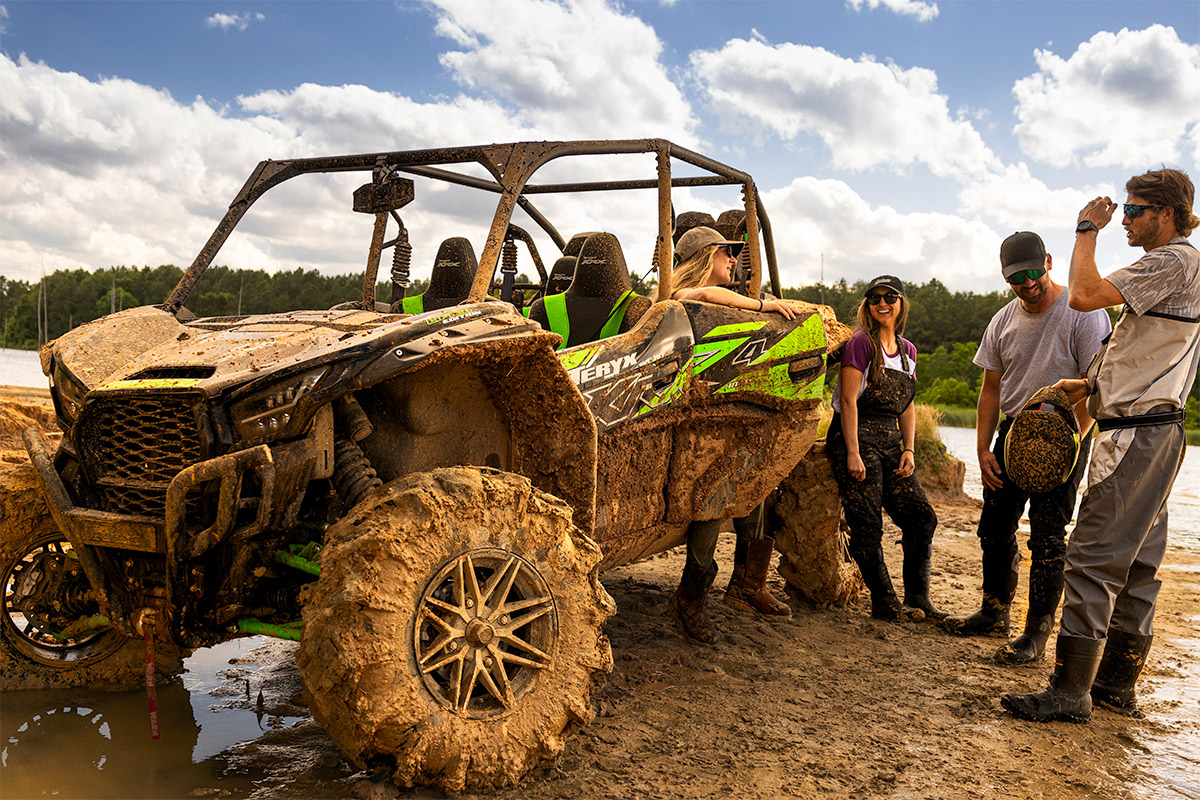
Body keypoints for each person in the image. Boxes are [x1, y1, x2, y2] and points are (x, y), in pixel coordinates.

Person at [1002, 168, 1200, 723]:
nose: (1126, 221)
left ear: (1166, 214)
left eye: (1135, 211)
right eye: (1124, 212)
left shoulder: (1174, 259)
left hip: (1136, 433)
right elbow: (1147, 348)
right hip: (1157, 430)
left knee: (1090, 559)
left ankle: (1069, 693)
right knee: (1136, 564)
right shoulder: (1178, 267)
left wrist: (1086, 228)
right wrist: (1088, 385)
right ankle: (1115, 685)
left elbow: (1084, 295)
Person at [943, 232, 1110, 667]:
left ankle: (1036, 633)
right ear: (1006, 278)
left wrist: (1072, 442)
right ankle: (994, 613)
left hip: (1067, 429)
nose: (1028, 283)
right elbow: (990, 390)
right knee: (995, 527)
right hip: (1014, 430)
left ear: (1050, 262)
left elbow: (1097, 387)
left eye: (1035, 272)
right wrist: (984, 450)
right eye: (1017, 278)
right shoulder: (1001, 321)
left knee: (1049, 536)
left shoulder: (1082, 313)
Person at [668, 226, 795, 644]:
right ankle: (691, 600)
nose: (733, 261)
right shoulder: (679, 298)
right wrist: (762, 304)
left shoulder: (712, 300)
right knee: (711, 499)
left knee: (754, 483)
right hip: (689, 424)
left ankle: (746, 586)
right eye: (726, 253)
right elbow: (704, 297)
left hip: (720, 413)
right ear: (707, 257)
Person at [825, 276, 942, 622]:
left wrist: (909, 449)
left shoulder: (908, 352)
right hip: (855, 436)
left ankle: (919, 600)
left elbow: (907, 406)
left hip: (890, 441)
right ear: (868, 305)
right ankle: (885, 603)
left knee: (922, 518)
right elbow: (848, 400)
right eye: (874, 297)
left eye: (890, 296)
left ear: (902, 302)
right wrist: (852, 452)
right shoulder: (861, 344)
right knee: (867, 523)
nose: (882, 303)